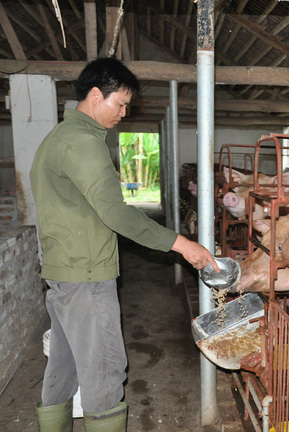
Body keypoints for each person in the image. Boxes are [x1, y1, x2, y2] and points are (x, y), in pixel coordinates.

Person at [30, 57, 217, 432]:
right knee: (103, 371)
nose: (124, 113)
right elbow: (116, 214)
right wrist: (183, 244)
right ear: (96, 95)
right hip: (86, 275)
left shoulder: (57, 138)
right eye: (121, 103)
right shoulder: (84, 143)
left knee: (63, 368)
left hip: (63, 274)